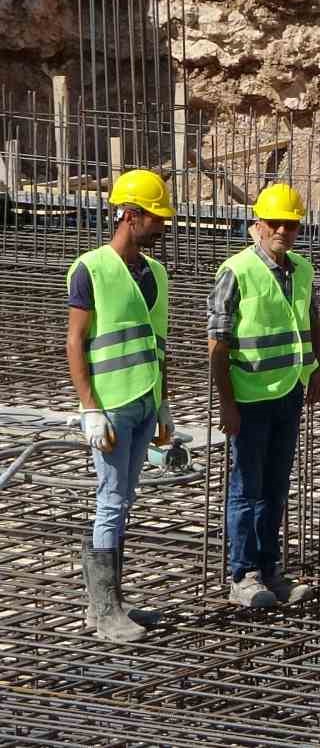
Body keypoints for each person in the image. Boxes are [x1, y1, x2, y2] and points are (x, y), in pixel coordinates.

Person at [66, 169, 176, 643]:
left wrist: (164, 404)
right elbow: (75, 341)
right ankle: (103, 609)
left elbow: (159, 343)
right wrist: (89, 407)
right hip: (110, 406)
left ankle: (111, 601)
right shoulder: (91, 268)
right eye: (155, 218)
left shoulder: (155, 273)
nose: (163, 227)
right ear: (130, 217)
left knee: (124, 501)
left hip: (144, 401)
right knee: (110, 502)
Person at [208, 183, 320, 607]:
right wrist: (227, 404)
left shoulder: (302, 269)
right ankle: (243, 574)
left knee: (275, 487)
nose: (282, 230)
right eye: (274, 223)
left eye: (291, 224)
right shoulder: (236, 271)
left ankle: (270, 570)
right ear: (256, 224)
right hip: (249, 398)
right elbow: (217, 346)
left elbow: (312, 320)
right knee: (247, 488)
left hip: (288, 392)